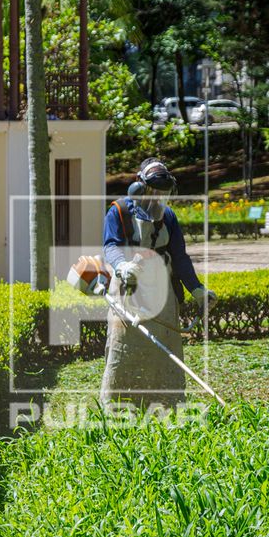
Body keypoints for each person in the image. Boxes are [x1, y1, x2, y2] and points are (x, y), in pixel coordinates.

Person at [100, 158, 215, 408]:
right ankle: (118, 403)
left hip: (162, 292)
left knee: (164, 349)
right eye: (154, 192)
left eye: (163, 194)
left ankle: (165, 402)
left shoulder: (169, 217)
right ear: (139, 189)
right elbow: (111, 245)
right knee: (125, 347)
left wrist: (196, 288)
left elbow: (180, 256)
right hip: (127, 291)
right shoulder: (118, 211)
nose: (158, 199)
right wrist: (121, 265)